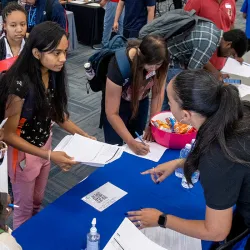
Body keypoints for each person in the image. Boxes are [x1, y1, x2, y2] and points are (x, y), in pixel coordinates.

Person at [127, 70, 250, 249]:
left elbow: (216, 231)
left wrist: (161, 219)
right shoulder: (236, 110)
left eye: (170, 101)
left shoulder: (217, 158)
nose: (168, 104)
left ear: (185, 115)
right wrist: (180, 162)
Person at [0, 21, 95, 229]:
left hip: (45, 145)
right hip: (23, 155)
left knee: (37, 202)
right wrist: (50, 156)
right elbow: (7, 135)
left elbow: (57, 114)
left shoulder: (52, 73)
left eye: (64, 52)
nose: (62, 59)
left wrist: (83, 135)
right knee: (23, 210)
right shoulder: (20, 84)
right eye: (56, 53)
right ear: (36, 53)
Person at [104, 35, 168, 155]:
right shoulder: (119, 66)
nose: (153, 69)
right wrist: (130, 142)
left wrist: (152, 124)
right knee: (114, 148)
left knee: (139, 140)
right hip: (119, 104)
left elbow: (157, 95)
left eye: (158, 65)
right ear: (140, 55)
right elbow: (112, 113)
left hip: (140, 102)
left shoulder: (161, 64)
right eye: (150, 65)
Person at [161, 21, 248, 110]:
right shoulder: (209, 44)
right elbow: (191, 76)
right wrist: (218, 86)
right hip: (170, 60)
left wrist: (216, 73)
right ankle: (163, 118)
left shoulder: (214, 32)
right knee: (176, 100)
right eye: (231, 54)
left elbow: (200, 57)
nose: (227, 56)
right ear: (228, 44)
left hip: (175, 54)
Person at [184, 0, 236, 71]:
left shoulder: (231, 1)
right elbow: (184, 29)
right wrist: (213, 70)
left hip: (220, 62)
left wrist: (236, 51)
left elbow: (230, 25)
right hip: (198, 61)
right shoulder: (196, 1)